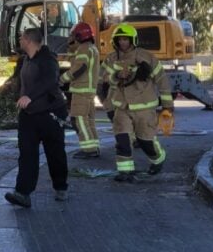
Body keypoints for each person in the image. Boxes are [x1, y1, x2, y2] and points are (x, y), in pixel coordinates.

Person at [4, 28, 69, 208]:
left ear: (29, 40)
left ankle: (61, 187)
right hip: (29, 116)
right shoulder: (25, 60)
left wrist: (29, 96)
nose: (19, 41)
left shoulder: (49, 60)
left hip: (51, 114)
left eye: (21, 38)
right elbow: (20, 82)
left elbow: (49, 81)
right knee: (27, 154)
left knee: (54, 153)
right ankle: (23, 193)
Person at [102, 24, 173, 183]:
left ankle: (158, 158)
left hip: (145, 108)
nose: (123, 42)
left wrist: (167, 105)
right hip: (122, 107)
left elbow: (162, 80)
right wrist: (117, 76)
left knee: (145, 142)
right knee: (122, 139)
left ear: (133, 40)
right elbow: (104, 78)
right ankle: (125, 171)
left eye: (126, 39)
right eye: (120, 39)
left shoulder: (147, 57)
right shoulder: (111, 59)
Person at [61, 23, 101, 159]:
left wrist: (62, 79)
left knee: (79, 120)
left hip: (81, 90)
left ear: (79, 36)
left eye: (73, 35)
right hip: (89, 90)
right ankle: (94, 146)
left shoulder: (84, 49)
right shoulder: (91, 48)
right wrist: (71, 47)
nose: (71, 37)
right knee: (89, 120)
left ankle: (88, 150)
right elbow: (75, 60)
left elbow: (79, 68)